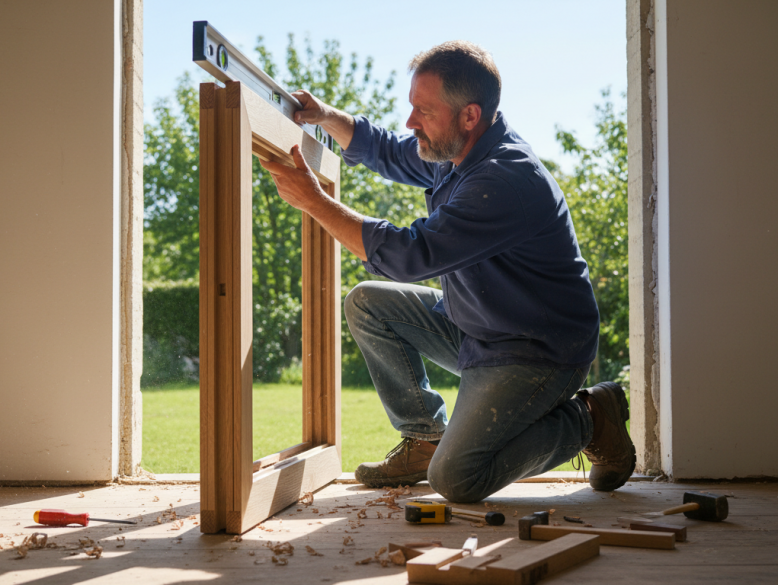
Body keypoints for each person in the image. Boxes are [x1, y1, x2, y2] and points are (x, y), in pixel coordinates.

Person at [260, 41, 635, 503]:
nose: (410, 122)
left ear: (469, 115)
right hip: (478, 325)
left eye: (423, 110)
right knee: (367, 303)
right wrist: (325, 116)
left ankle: (592, 418)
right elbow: (388, 150)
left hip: (536, 351)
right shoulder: (455, 153)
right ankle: (425, 437)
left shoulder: (503, 180)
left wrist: (314, 201)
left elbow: (411, 255)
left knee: (457, 479)